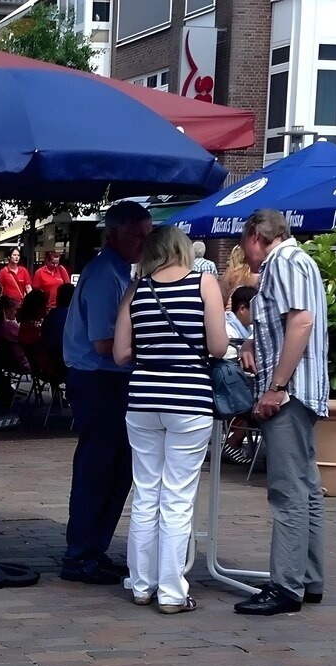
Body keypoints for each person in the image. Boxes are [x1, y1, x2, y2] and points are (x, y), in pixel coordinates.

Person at [113, 226, 227, 614]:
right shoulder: (204, 283)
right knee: (177, 498)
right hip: (189, 399)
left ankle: (141, 584)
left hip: (143, 399)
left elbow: (120, 354)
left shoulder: (136, 290)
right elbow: (218, 345)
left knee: (145, 493)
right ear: (182, 249)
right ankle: (172, 592)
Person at [234, 209, 329, 616]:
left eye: (243, 243)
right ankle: (307, 578)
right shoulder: (298, 260)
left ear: (257, 235)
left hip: (290, 393)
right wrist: (255, 341)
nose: (243, 253)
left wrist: (276, 387)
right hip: (303, 390)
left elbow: (301, 322)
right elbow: (292, 320)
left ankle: (286, 585)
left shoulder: (283, 262)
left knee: (288, 490)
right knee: (305, 486)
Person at [60, 200, 152, 585]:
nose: (144, 243)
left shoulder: (119, 272)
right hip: (100, 381)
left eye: (148, 235)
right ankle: (81, 554)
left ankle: (93, 550)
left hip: (110, 379)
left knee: (116, 472)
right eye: (138, 235)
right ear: (115, 232)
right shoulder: (104, 276)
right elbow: (103, 343)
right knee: (99, 470)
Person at [222, 285, 258, 465]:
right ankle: (233, 442)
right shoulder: (228, 328)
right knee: (256, 401)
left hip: (241, 382)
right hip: (228, 385)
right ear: (242, 308)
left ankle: (233, 441)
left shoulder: (248, 330)